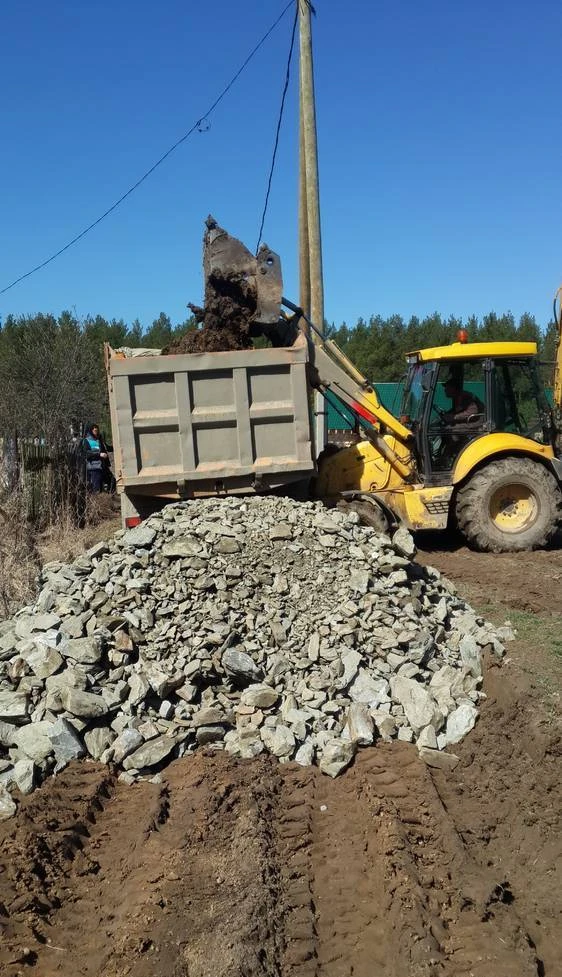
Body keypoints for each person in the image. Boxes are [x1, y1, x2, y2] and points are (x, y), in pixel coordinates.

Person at [83, 423, 115, 493]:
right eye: (94, 429)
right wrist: (99, 454)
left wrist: (116, 447)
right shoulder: (87, 440)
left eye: (96, 428)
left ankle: (108, 499)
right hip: (94, 468)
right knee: (97, 489)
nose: (96, 430)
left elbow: (107, 448)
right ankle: (98, 501)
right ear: (90, 430)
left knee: (113, 482)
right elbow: (86, 454)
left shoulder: (99, 439)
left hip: (103, 466)